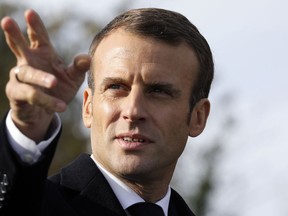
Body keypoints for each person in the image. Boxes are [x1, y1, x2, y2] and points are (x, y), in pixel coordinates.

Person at [0, 7, 213, 216]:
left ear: (198, 117)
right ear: (88, 107)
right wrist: (26, 131)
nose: (133, 110)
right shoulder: (39, 205)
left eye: (158, 91)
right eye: (116, 87)